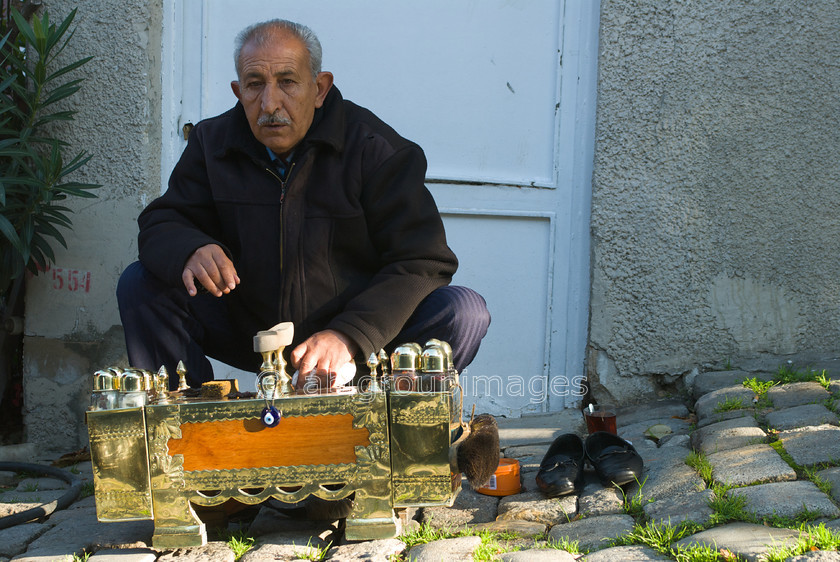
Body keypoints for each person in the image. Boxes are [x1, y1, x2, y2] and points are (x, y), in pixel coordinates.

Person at [117, 19, 490, 390]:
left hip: (356, 336)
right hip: (255, 331)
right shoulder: (211, 143)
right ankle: (187, 427)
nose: (270, 103)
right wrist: (190, 248)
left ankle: (392, 428)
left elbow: (423, 260)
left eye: (288, 82)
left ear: (320, 88)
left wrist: (350, 335)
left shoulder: (376, 150)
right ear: (238, 91)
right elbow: (163, 220)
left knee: (463, 311)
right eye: (254, 84)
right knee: (140, 283)